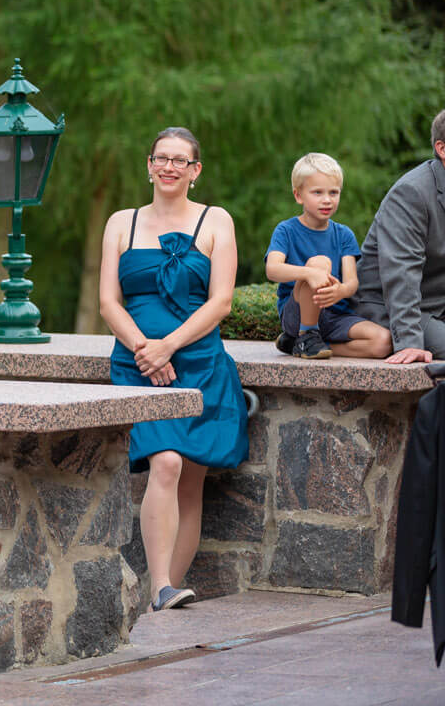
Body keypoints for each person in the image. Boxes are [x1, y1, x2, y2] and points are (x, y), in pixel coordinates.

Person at [98, 126, 248, 613]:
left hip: (200, 362)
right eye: (161, 158)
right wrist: (146, 349)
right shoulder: (121, 222)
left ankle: (167, 591)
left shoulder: (216, 221)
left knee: (190, 478)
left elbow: (221, 301)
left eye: (180, 160)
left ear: (195, 171)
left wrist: (171, 346)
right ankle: (161, 585)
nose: (169, 167)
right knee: (165, 461)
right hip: (137, 364)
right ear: (148, 165)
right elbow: (107, 302)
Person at [265, 153, 391, 361]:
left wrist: (341, 290)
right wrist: (309, 273)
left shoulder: (344, 235)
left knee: (383, 342)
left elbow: (351, 282)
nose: (327, 200)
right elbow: (273, 270)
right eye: (317, 192)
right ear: (298, 195)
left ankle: (303, 345)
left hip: (335, 316)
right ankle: (306, 334)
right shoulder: (286, 230)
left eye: (333, 192)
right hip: (297, 315)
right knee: (319, 262)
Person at [355, 110, 445, 365]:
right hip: (392, 308)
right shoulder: (411, 193)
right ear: (442, 149)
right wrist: (410, 343)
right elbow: (401, 273)